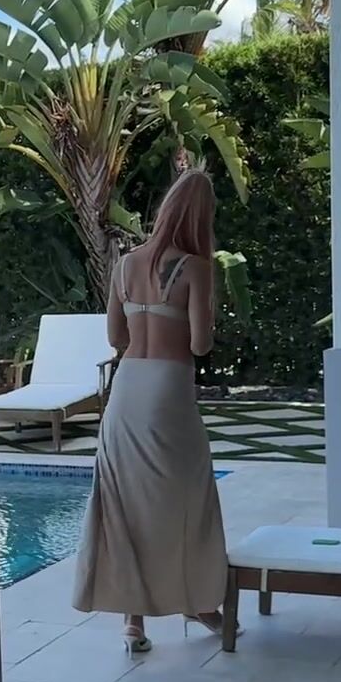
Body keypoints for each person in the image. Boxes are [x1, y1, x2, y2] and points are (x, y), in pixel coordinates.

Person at [71, 168, 231, 652]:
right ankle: (198, 602)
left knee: (126, 501)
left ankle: (133, 622)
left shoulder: (124, 265)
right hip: (167, 390)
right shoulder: (196, 268)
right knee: (185, 498)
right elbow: (200, 345)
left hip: (126, 390)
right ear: (201, 219)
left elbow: (115, 337)